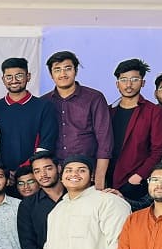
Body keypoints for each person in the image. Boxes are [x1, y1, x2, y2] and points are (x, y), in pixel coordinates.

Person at [44, 50, 112, 189]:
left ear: (75, 71)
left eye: (68, 68)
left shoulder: (94, 98)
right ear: (51, 74)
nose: (63, 74)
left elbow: (105, 140)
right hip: (55, 175)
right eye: (57, 70)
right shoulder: (44, 102)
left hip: (87, 172)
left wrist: (99, 178)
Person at [0, 58, 59, 175]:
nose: (14, 80)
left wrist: (23, 170)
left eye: (19, 76)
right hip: (0, 175)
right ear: (3, 79)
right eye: (9, 77)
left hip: (32, 174)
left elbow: (46, 142)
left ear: (28, 77)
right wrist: (2, 172)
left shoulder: (44, 106)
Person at [109, 58, 162, 201]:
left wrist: (139, 176)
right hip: (107, 179)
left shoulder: (154, 112)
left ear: (143, 82)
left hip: (135, 182)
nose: (128, 84)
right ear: (117, 84)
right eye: (124, 80)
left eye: (134, 79)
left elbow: (159, 150)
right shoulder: (108, 111)